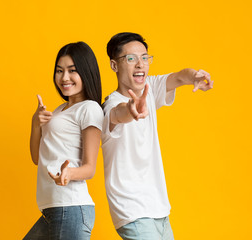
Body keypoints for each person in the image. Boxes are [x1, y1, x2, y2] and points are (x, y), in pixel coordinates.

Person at [101, 32, 214, 240]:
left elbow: (180, 76)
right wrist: (131, 110)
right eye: (131, 59)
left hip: (159, 209)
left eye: (145, 58)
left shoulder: (149, 88)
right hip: (132, 209)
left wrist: (195, 76)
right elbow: (119, 114)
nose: (140, 65)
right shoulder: (109, 106)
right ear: (114, 65)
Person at [24, 41, 103, 240]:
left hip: (70, 207)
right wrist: (35, 124)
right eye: (59, 71)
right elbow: (36, 158)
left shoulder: (90, 108)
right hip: (54, 208)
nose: (64, 77)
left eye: (72, 71)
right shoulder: (59, 110)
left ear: (86, 72)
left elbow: (90, 168)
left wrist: (69, 173)